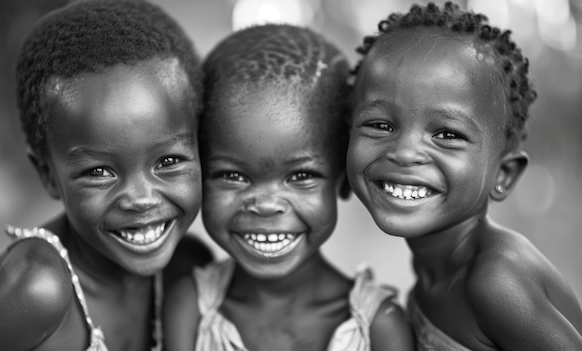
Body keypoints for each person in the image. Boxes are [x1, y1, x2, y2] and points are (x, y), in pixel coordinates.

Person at [0, 0, 213, 350]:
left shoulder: (188, 267)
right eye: (99, 171)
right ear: (48, 175)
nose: (141, 198)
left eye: (168, 161)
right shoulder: (39, 287)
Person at [347, 2, 582, 350]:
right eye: (380, 125)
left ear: (503, 173)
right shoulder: (431, 279)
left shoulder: (496, 281)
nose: (404, 152)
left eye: (446, 134)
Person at [163, 24, 414, 351]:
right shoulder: (191, 307)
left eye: (300, 177)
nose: (266, 205)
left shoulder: (378, 326)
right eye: (233, 176)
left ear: (343, 178)